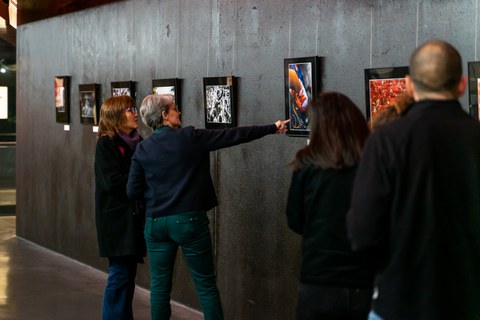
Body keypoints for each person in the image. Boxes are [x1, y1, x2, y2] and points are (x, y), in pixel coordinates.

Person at [347, 39, 480, 320]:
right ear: (462, 85)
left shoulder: (385, 140)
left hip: (398, 301)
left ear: (408, 84)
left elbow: (362, 232)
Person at [126, 94, 289, 320]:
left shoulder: (143, 149)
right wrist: (272, 127)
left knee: (160, 289)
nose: (179, 112)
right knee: (205, 286)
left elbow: (132, 191)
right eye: (174, 108)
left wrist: (156, 197)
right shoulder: (190, 137)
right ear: (164, 115)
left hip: (156, 224)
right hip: (189, 222)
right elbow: (233, 135)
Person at [286, 92, 374, 320]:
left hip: (318, 278)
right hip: (362, 279)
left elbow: (295, 220)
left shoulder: (306, 164)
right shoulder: (372, 163)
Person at [94, 95, 146, 320]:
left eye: (134, 109)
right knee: (120, 275)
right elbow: (112, 182)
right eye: (128, 110)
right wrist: (141, 179)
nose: (135, 113)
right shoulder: (107, 144)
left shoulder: (136, 142)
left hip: (132, 219)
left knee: (127, 276)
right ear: (115, 116)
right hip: (116, 223)